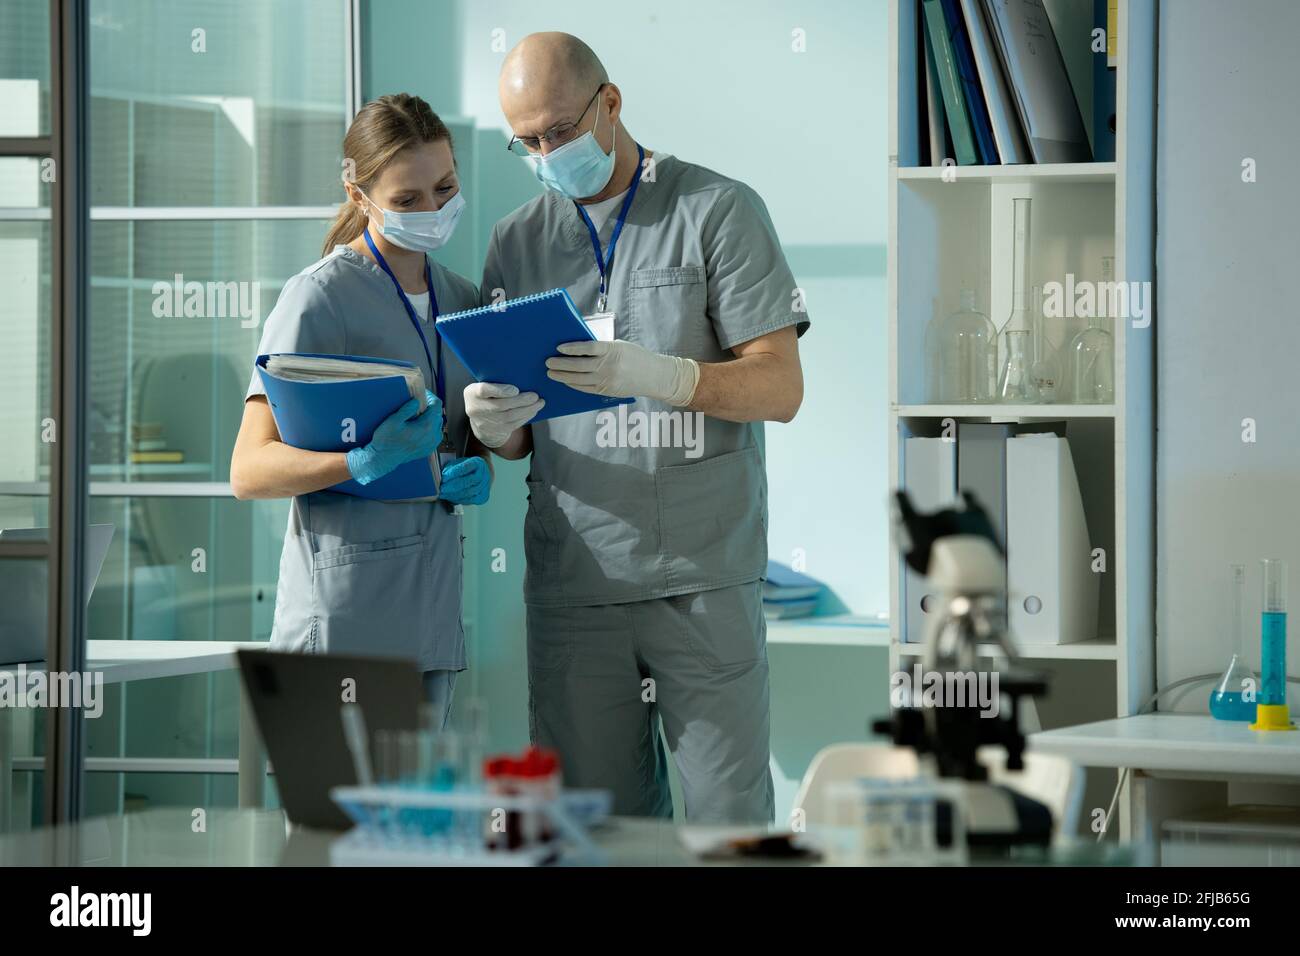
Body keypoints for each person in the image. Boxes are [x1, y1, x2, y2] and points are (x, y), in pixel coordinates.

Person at [468, 33, 809, 822]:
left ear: (610, 104)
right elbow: (520, 431)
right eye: (528, 142)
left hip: (702, 577)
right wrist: (495, 426)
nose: (548, 152)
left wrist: (664, 375)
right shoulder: (516, 241)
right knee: (597, 831)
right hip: (576, 584)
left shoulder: (717, 210)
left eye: (559, 130)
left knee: (730, 827)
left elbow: (781, 386)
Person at [230, 94, 490, 730]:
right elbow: (249, 470)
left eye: (445, 187)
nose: (432, 210)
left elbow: (463, 429)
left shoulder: (461, 298)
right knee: (333, 829)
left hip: (428, 619)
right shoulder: (319, 298)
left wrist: (478, 459)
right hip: (342, 622)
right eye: (407, 200)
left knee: (415, 829)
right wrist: (359, 461)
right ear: (358, 192)